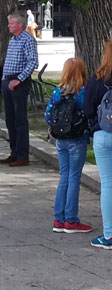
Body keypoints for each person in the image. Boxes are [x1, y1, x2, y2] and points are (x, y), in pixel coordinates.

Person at [45, 58, 92, 234]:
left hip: (60, 139)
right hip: (77, 138)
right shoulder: (83, 92)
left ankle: (58, 218)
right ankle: (71, 220)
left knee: (64, 176)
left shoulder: (57, 92)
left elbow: (48, 116)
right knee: (74, 178)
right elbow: (89, 113)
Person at [0, 11, 38, 167]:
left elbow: (33, 62)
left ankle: (23, 155)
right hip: (7, 81)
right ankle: (14, 152)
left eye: (11, 23)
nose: (9, 26)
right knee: (10, 120)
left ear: (19, 25)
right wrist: (3, 81)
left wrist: (19, 79)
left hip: (18, 82)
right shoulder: (13, 40)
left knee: (20, 120)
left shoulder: (27, 39)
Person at [84, 39, 112, 249]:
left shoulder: (97, 80)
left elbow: (88, 109)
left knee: (108, 185)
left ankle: (109, 235)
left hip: (103, 134)